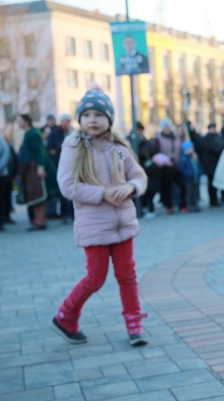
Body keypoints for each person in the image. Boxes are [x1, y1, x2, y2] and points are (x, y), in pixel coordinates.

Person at [51, 85, 149, 346]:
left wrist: (130, 187)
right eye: (87, 115)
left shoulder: (118, 146)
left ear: (109, 119)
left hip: (123, 223)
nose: (92, 120)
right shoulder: (73, 145)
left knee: (127, 275)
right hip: (94, 225)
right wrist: (102, 194)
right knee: (95, 277)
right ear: (79, 119)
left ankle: (134, 323)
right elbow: (67, 185)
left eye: (99, 115)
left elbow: (139, 176)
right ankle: (66, 315)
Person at [18, 114, 61, 231]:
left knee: (38, 195)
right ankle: (39, 220)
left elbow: (40, 151)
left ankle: (41, 220)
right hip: (30, 166)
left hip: (35, 166)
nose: (18, 123)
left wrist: (40, 167)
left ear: (27, 121)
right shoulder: (29, 133)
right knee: (35, 195)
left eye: (20, 121)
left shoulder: (33, 133)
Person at [151, 118, 187, 213]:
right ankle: (169, 206)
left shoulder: (176, 137)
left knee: (182, 185)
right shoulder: (158, 139)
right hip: (165, 167)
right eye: (165, 127)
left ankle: (182, 205)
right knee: (166, 188)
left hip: (177, 166)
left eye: (168, 127)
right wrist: (165, 161)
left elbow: (183, 149)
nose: (167, 129)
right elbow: (155, 154)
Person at [188, 121, 224, 207]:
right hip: (210, 165)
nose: (213, 129)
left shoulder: (218, 137)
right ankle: (213, 200)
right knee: (211, 183)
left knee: (216, 183)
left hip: (216, 164)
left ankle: (215, 199)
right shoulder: (206, 139)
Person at [47, 114, 74, 222]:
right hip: (58, 165)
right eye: (65, 121)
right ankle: (64, 214)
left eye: (68, 122)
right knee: (63, 190)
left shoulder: (73, 133)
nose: (67, 124)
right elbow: (50, 149)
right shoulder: (54, 134)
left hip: (72, 165)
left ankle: (72, 214)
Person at [178, 141, 203, 212]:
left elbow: (198, 166)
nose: (192, 149)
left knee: (196, 193)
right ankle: (190, 206)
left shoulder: (194, 157)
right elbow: (182, 169)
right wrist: (189, 174)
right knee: (189, 193)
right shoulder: (183, 158)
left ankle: (196, 205)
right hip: (188, 179)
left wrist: (200, 172)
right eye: (190, 148)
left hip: (196, 178)